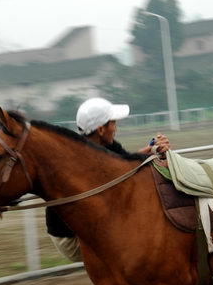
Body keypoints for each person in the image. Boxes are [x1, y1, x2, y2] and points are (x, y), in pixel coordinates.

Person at [46, 97, 170, 262]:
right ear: (100, 129)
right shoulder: (79, 160)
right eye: (113, 123)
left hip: (86, 224)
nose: (116, 128)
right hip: (71, 237)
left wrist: (151, 149)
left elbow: (126, 161)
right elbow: (124, 175)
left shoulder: (107, 145)